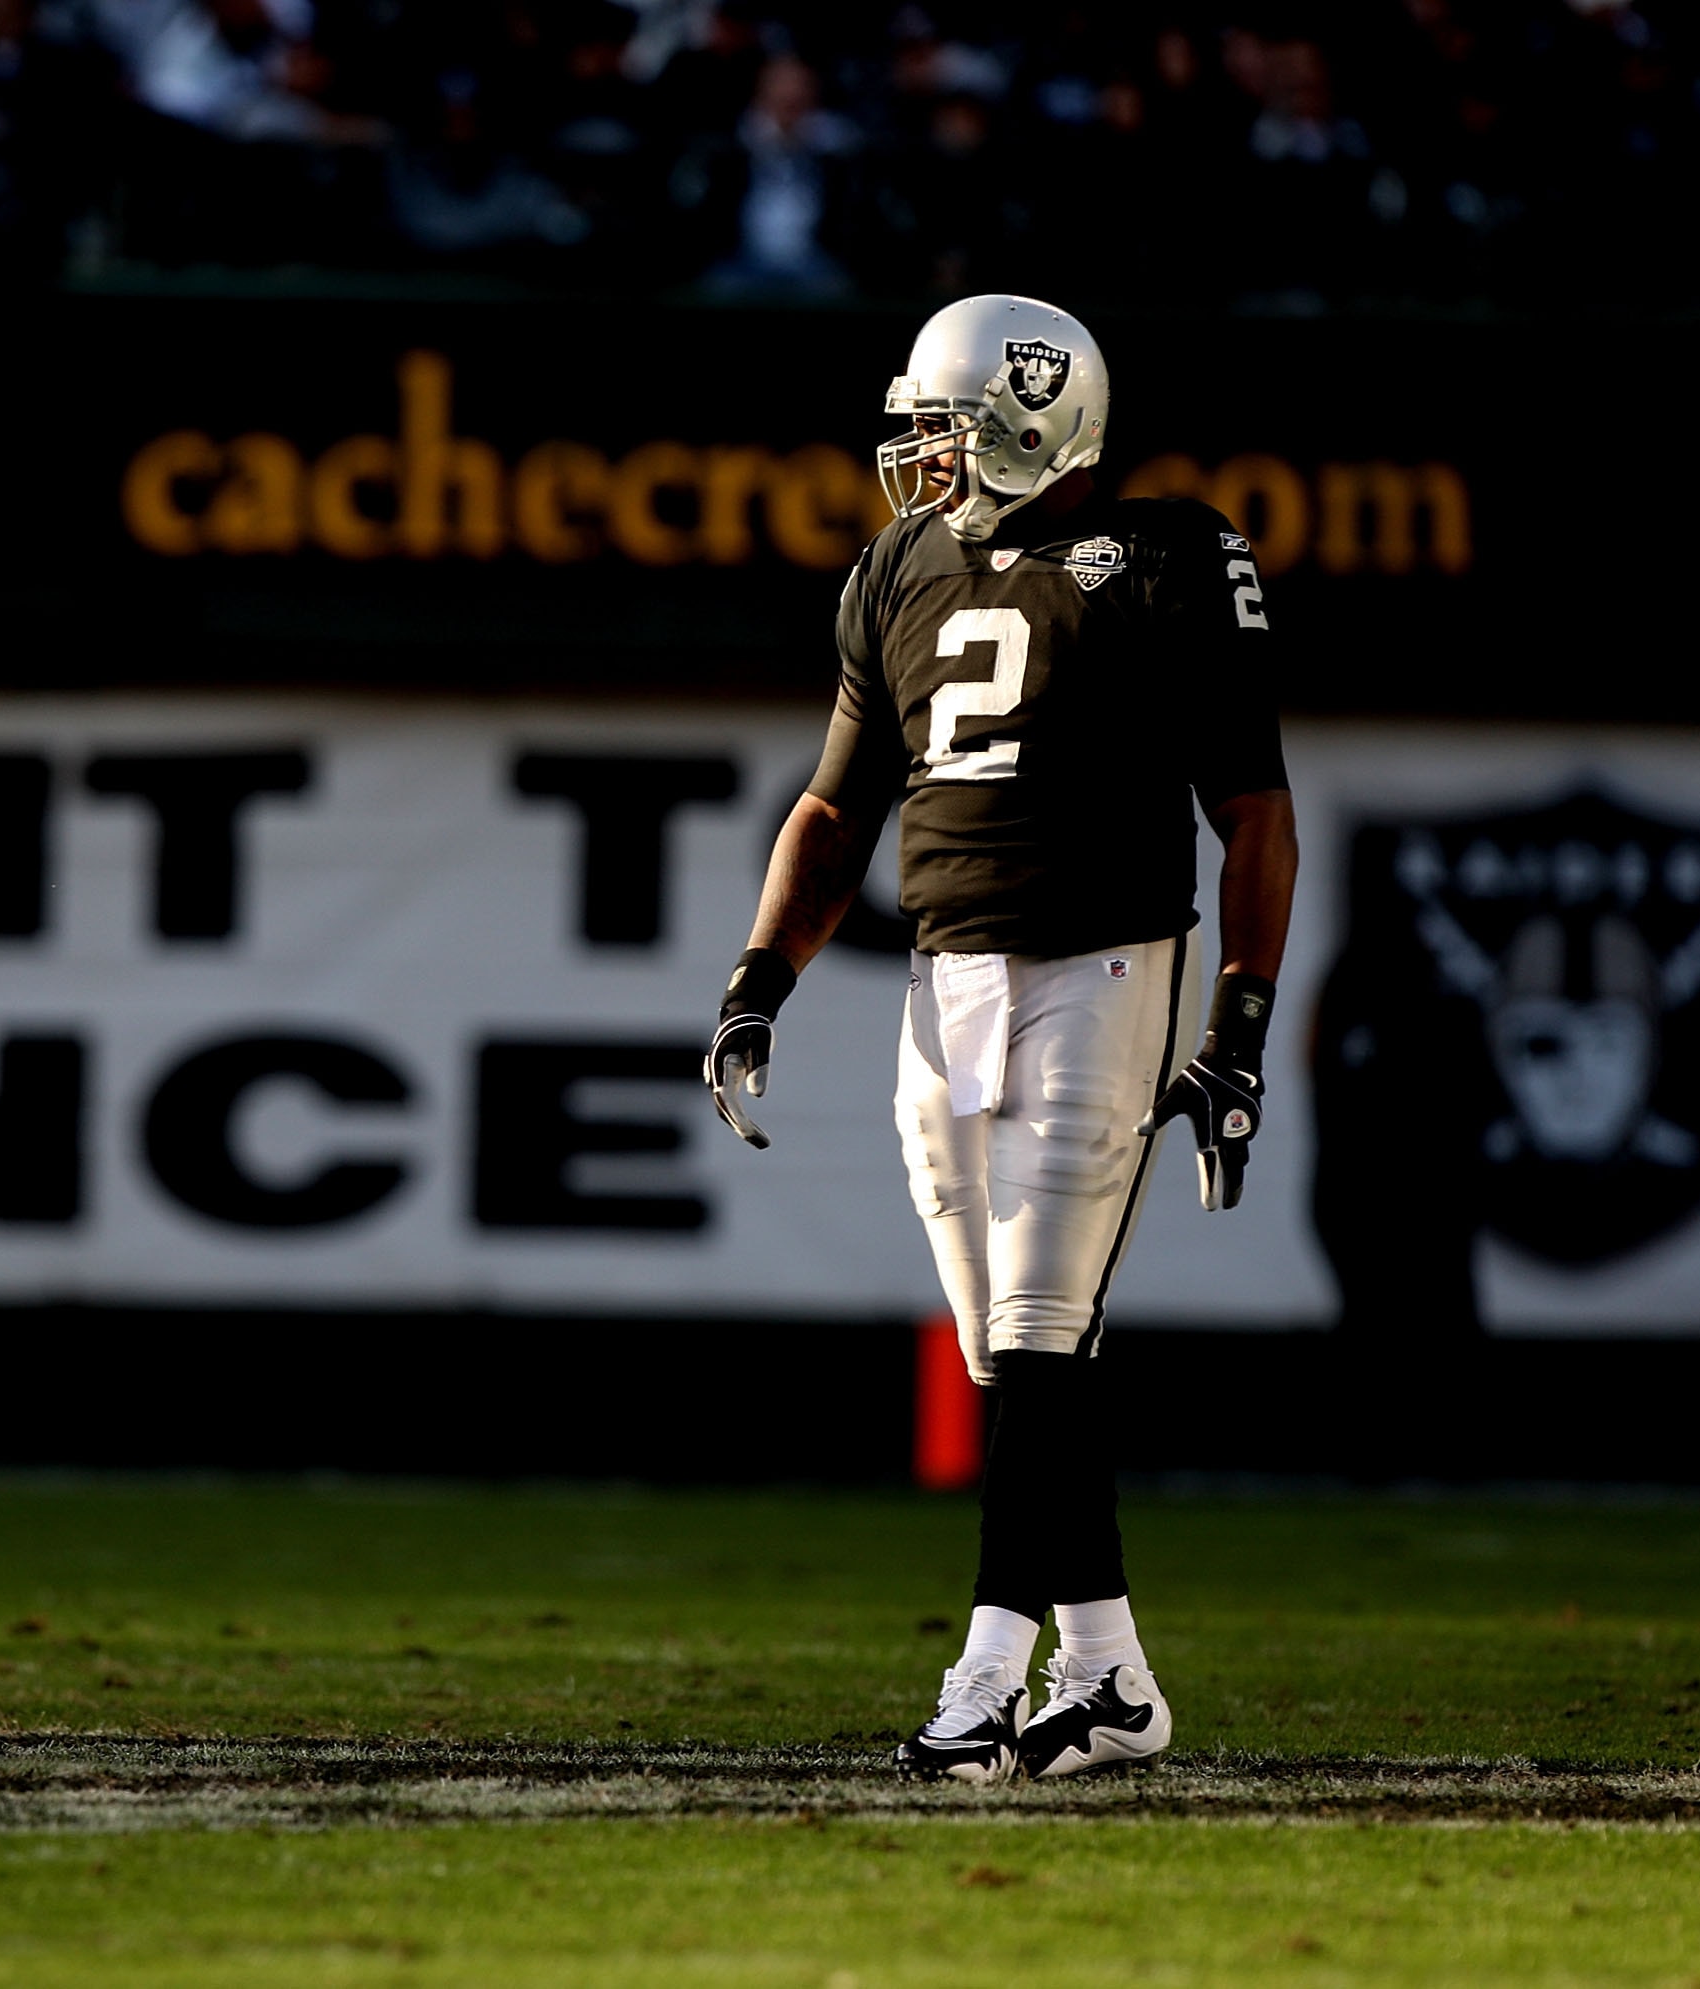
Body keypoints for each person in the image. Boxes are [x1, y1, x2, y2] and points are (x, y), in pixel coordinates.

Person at [706, 294, 1297, 1783]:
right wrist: (757, 975)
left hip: (1106, 959)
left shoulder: (1167, 555)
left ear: (1036, 418)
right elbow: (837, 811)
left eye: (948, 425)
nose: (922, 453)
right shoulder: (896, 565)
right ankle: (1106, 1675)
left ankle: (984, 1678)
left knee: (1039, 1330)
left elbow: (1254, 810)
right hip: (945, 975)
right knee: (1008, 1354)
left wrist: (1239, 1021)